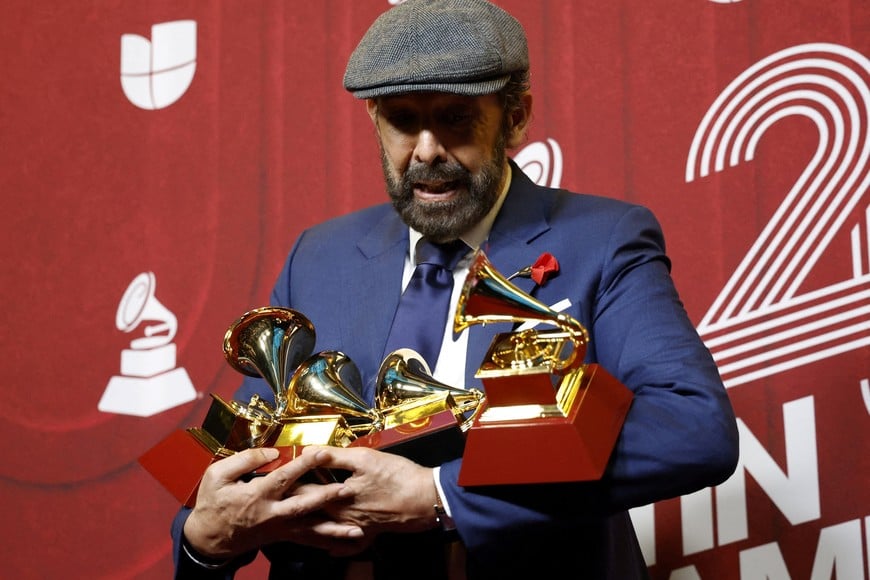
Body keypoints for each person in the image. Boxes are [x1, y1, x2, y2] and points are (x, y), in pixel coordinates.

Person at [172, 0, 739, 578]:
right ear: (373, 119)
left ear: (516, 118)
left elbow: (692, 430)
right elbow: (236, 458)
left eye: (455, 118)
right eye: (401, 119)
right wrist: (203, 539)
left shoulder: (604, 239)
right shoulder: (317, 256)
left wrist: (440, 496)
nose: (425, 151)